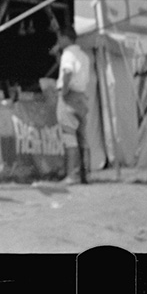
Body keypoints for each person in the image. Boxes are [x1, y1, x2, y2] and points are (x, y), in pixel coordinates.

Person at [54, 24, 91, 185]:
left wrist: (63, 93)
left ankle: (72, 175)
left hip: (70, 96)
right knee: (82, 137)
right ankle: (85, 175)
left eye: (59, 38)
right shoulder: (84, 55)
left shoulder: (68, 54)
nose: (58, 41)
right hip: (82, 96)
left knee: (69, 136)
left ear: (65, 38)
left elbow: (67, 72)